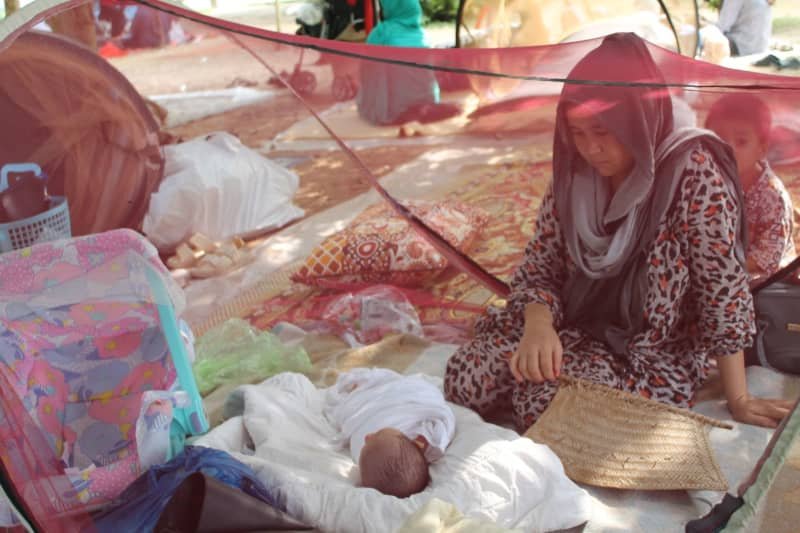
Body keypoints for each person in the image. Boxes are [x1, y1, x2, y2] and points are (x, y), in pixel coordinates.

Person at [444, 33, 792, 432]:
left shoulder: (693, 174)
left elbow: (723, 289)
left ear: (637, 121)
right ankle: (559, 372)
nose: (590, 148)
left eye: (603, 131)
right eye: (578, 132)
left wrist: (740, 397)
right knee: (465, 379)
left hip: (650, 350)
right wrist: (538, 327)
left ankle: (581, 386)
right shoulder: (574, 175)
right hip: (572, 323)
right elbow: (540, 267)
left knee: (542, 403)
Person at [324, 368, 455, 498]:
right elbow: (443, 418)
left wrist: (356, 400)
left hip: (370, 405)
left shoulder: (360, 452)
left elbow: (351, 421)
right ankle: (362, 391)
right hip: (395, 399)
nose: (367, 437)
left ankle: (360, 392)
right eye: (377, 434)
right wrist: (423, 440)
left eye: (365, 446)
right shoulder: (425, 442)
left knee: (356, 397)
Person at [704, 93, 795, 280]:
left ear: (762, 149)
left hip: (767, 281)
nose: (728, 149)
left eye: (741, 142)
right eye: (718, 139)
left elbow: (767, 258)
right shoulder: (708, 180)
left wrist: (717, 267)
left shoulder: (772, 197)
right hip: (720, 269)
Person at [357, 0, 459, 126]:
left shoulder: (381, 33)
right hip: (428, 100)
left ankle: (402, 107)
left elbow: (366, 72)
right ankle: (417, 107)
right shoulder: (422, 35)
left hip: (394, 110)